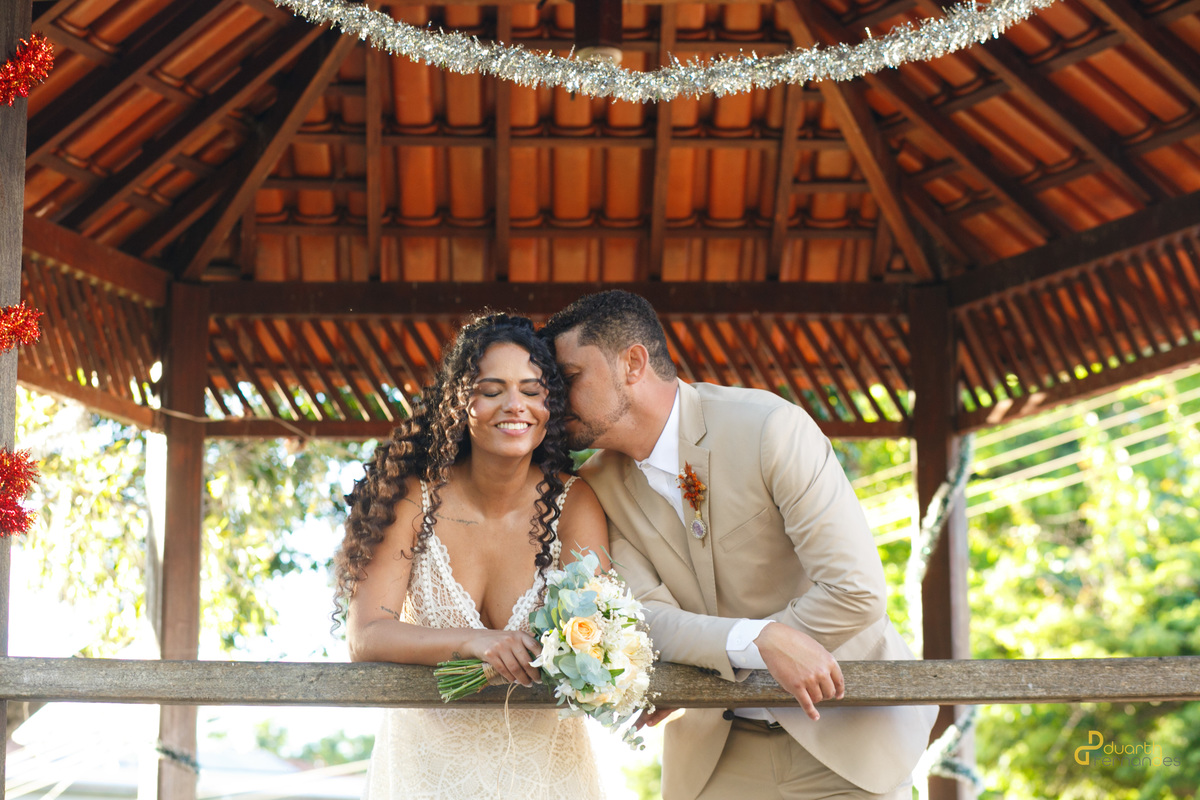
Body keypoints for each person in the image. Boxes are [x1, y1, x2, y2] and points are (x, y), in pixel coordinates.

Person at [542, 291, 938, 800]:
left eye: (570, 379)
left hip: (851, 741)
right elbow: (646, 622)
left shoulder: (769, 428)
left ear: (633, 363)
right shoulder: (596, 485)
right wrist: (759, 641)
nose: (554, 402)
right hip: (717, 759)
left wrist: (728, 647)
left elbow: (854, 591)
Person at [336, 312, 611, 799]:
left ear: (550, 405)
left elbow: (597, 636)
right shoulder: (410, 499)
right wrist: (471, 642)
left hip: (544, 776)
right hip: (427, 774)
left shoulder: (576, 504)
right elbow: (366, 634)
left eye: (532, 390)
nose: (515, 405)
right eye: (492, 389)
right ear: (459, 401)